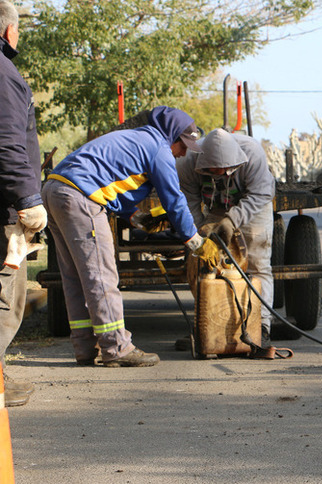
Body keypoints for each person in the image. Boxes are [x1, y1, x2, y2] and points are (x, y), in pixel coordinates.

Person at [41, 106, 219, 367]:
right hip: (81, 197)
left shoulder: (136, 139)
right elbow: (174, 200)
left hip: (55, 190)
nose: (183, 153)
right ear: (172, 136)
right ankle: (117, 348)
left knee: (77, 277)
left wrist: (136, 217)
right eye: (183, 146)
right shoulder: (158, 148)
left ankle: (85, 347)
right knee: (101, 274)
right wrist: (194, 241)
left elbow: (114, 182)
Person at [176, 128, 275, 347]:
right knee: (205, 265)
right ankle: (208, 325)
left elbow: (262, 193)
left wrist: (232, 220)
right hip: (216, 205)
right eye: (213, 170)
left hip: (253, 204)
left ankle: (262, 325)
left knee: (258, 265)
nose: (219, 172)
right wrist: (200, 230)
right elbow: (189, 200)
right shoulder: (187, 162)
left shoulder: (252, 153)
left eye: (224, 170)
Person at [0, 0, 47, 406]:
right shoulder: (4, 74)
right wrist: (28, 198)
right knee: (7, 299)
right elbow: (8, 143)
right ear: (9, 31)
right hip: (4, 207)